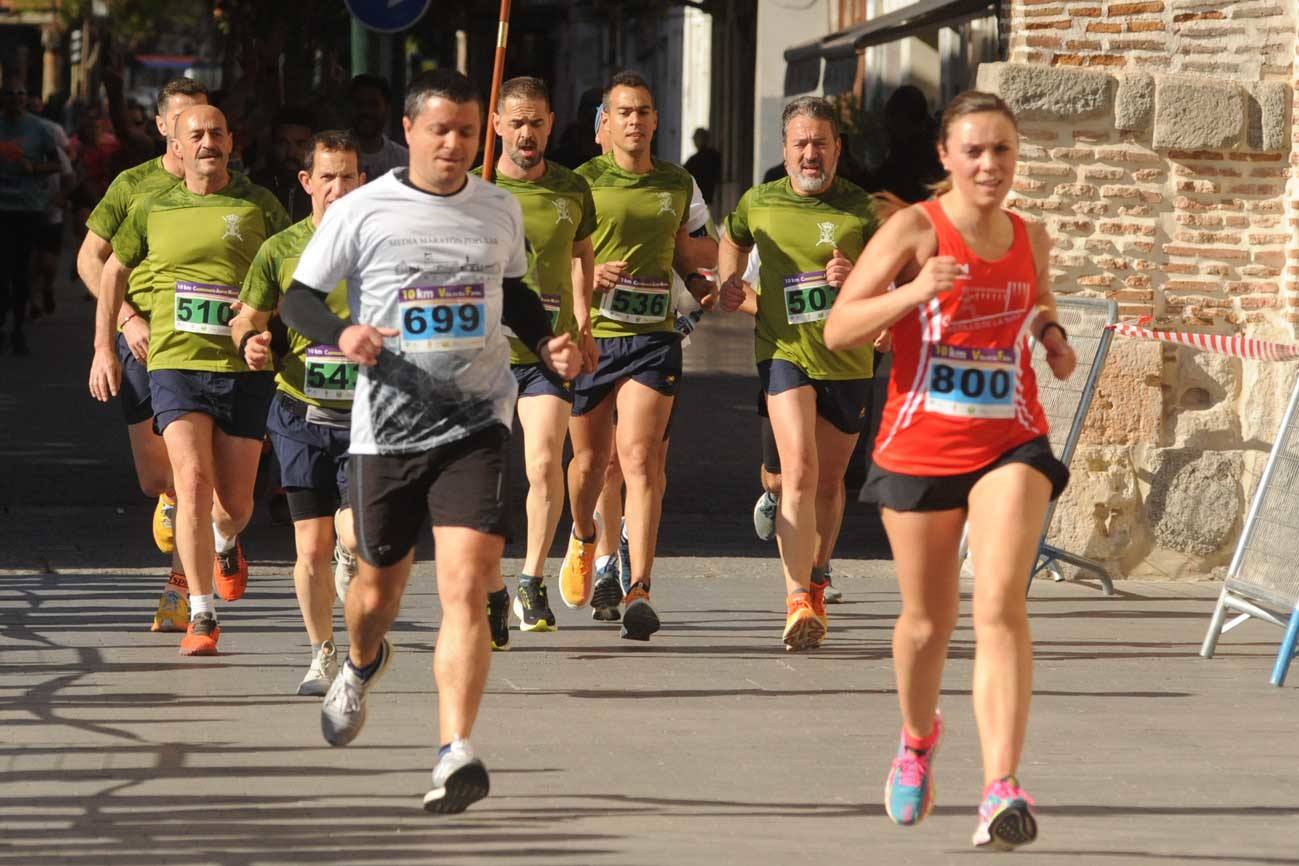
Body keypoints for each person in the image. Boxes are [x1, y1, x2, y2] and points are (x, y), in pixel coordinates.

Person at [277, 69, 580, 813]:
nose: (452, 144)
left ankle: (455, 751)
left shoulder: (498, 209)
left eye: (466, 132)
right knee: (376, 592)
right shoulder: (363, 209)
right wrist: (342, 330)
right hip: (387, 430)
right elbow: (297, 299)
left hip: (475, 422)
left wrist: (549, 343)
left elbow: (510, 293)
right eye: (439, 129)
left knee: (467, 588)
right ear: (408, 132)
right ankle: (359, 661)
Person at [823, 90, 1077, 850]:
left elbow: (1040, 302)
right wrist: (912, 289)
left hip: (1011, 439)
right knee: (926, 624)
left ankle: (1000, 787)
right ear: (945, 156)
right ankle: (916, 737)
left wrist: (1053, 334)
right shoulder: (911, 228)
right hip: (919, 444)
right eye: (973, 151)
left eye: (1000, 150)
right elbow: (840, 325)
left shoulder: (1030, 236)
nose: (988, 165)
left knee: (999, 604)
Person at [88, 104, 290, 655]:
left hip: (241, 369)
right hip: (174, 364)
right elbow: (110, 270)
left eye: (217, 133)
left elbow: (291, 272)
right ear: (176, 145)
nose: (207, 142)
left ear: (232, 141)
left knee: (235, 506)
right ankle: (200, 613)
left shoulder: (258, 204)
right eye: (195, 134)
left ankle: (227, 541)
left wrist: (274, 332)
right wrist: (107, 343)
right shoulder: (152, 204)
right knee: (190, 483)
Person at [559, 71, 717, 640]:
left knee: (640, 458)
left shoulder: (675, 183)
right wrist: (587, 274)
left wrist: (701, 284)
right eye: (623, 112)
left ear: (655, 121)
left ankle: (639, 588)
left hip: (654, 337)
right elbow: (551, 258)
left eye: (644, 111)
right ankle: (583, 537)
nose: (634, 120)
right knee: (590, 466)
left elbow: (686, 251)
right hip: (592, 336)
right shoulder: (579, 182)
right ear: (604, 125)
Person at [718, 96, 879, 651]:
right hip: (784, 351)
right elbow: (732, 238)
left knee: (831, 484)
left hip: (850, 357)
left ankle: (817, 574)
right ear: (784, 151)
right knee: (800, 472)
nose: (811, 154)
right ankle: (796, 599)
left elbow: (893, 276)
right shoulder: (759, 202)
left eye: (821, 143)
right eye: (801, 144)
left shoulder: (864, 209)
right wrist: (730, 281)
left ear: (838, 148)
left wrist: (857, 276)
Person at [231, 130, 364, 694]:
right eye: (327, 177)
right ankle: (321, 653)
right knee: (308, 546)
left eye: (348, 177)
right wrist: (250, 343)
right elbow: (246, 318)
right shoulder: (280, 249)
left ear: (363, 182)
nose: (338, 188)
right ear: (307, 183)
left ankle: (349, 562)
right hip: (299, 410)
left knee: (355, 538)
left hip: (367, 415)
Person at [78, 77, 209, 631]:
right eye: (180, 126)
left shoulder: (230, 189)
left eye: (201, 126)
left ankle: (181, 592)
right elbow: (90, 261)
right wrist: (124, 323)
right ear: (162, 129)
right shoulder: (135, 186)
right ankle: (175, 508)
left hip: (204, 349)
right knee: (160, 481)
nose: (192, 139)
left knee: (193, 477)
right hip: (146, 342)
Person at [473, 76, 596, 647]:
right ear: (496, 124)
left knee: (545, 464)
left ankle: (531, 579)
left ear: (550, 124)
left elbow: (580, 257)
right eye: (516, 122)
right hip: (485, 355)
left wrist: (585, 323)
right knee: (483, 480)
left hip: (548, 350)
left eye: (537, 122)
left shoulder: (572, 189)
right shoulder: (473, 190)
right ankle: (492, 584)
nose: (527, 133)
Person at [0, 78, 62, 354]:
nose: (15, 97)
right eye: (10, 93)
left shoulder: (39, 128)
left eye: (20, 93)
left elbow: (56, 163)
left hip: (27, 208)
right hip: (1, 208)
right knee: (2, 269)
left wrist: (33, 168)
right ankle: (3, 323)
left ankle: (18, 327)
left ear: (26, 98)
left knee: (22, 270)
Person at [250, 107, 315, 222]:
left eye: (300, 144)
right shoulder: (254, 188)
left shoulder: (320, 189)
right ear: (272, 145)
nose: (291, 153)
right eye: (282, 143)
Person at [347, 74, 407, 181]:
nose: (366, 111)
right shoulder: (331, 155)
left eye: (373, 104)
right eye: (359, 104)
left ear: (387, 108)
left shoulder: (403, 160)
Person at [683, 127, 721, 207]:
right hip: (709, 199)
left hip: (701, 200)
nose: (694, 141)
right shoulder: (714, 156)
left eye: (696, 138)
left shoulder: (695, 160)